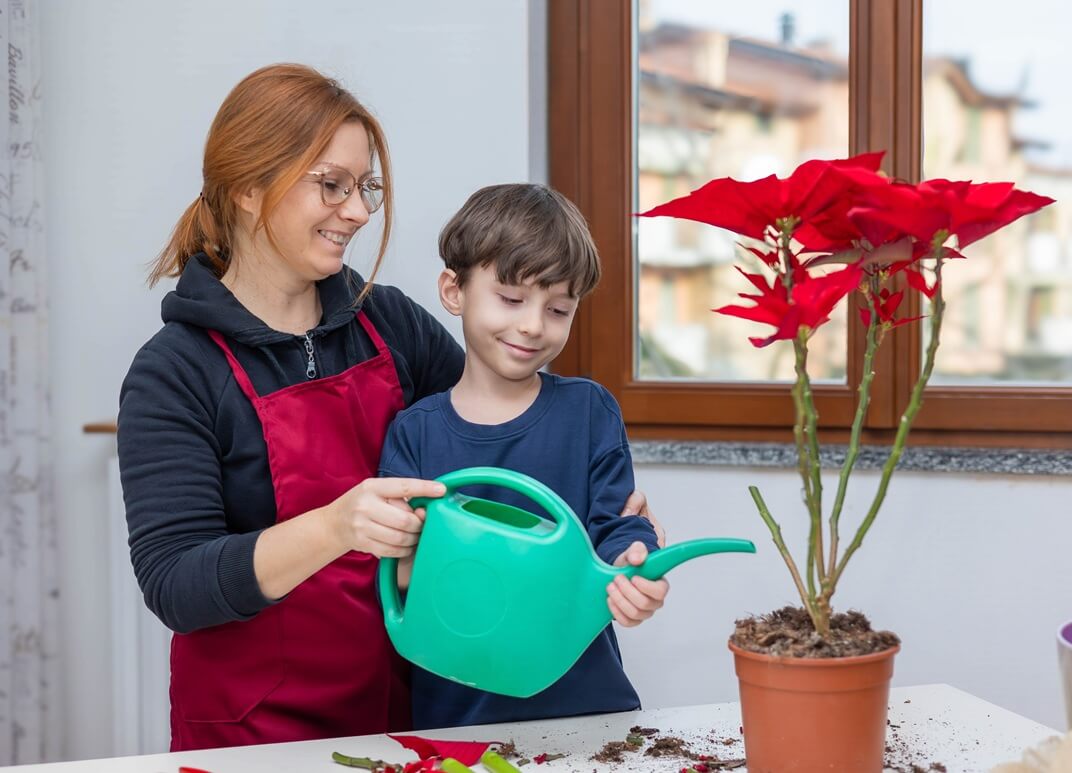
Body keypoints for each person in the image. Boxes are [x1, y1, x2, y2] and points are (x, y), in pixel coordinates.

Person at [117, 64, 660, 752]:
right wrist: (336, 525)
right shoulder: (176, 372)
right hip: (260, 728)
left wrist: (603, 518)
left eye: (365, 187)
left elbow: (484, 432)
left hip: (408, 707)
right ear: (251, 187)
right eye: (333, 185)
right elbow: (176, 583)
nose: (360, 211)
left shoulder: (386, 324)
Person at [378, 183, 669, 730]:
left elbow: (618, 525)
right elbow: (397, 569)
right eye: (511, 299)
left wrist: (636, 567)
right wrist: (409, 562)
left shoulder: (589, 411)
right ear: (453, 290)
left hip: (589, 710)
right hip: (456, 717)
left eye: (558, 308)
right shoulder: (413, 433)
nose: (534, 325)